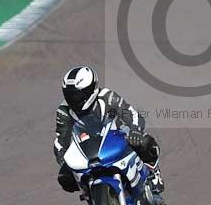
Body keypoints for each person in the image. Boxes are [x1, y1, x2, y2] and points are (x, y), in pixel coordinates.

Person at [53, 66, 164, 195]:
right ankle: (92, 196)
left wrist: (135, 130)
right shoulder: (64, 111)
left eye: (77, 96)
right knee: (65, 178)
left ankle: (154, 173)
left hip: (117, 139)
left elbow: (132, 114)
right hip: (88, 149)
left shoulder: (107, 97)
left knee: (146, 142)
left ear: (91, 90)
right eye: (69, 95)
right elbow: (61, 140)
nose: (73, 100)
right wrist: (64, 161)